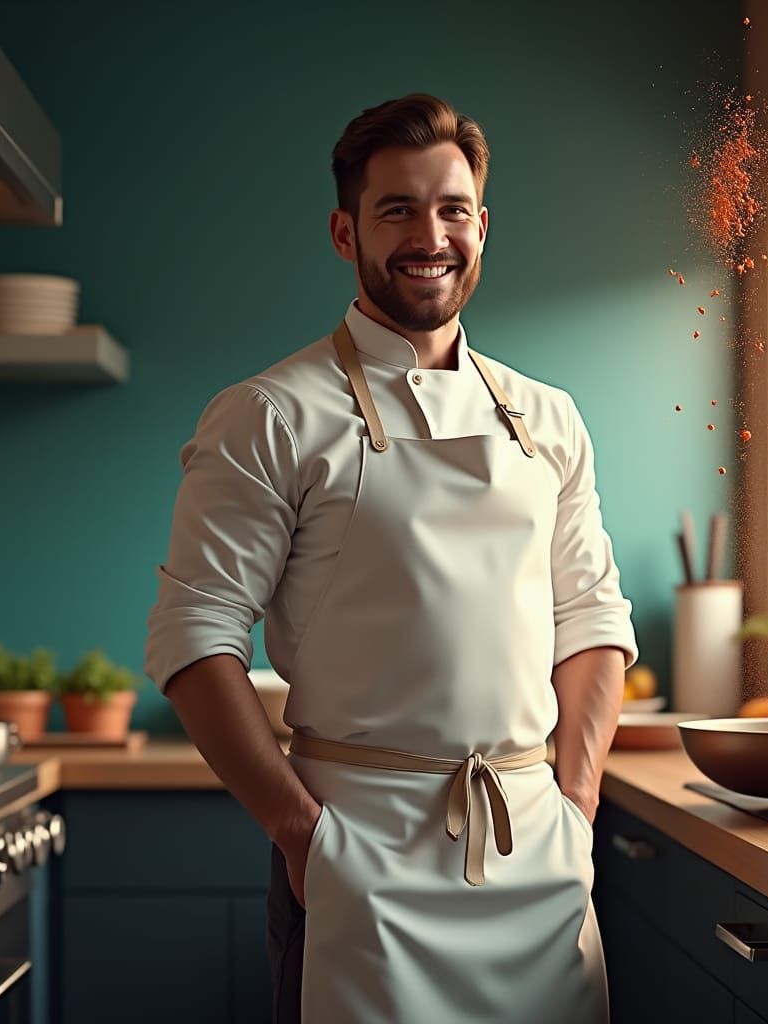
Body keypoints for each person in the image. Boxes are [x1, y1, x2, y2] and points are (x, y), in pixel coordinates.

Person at [144, 92, 638, 1024]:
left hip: (536, 852)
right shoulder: (270, 414)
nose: (430, 235)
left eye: (452, 209)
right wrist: (303, 838)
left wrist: (575, 802)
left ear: (483, 227)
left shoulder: (550, 419)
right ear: (345, 232)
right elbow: (192, 635)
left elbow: (594, 618)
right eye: (397, 210)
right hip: (360, 860)